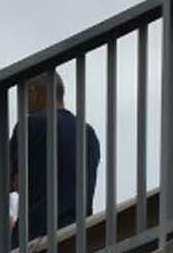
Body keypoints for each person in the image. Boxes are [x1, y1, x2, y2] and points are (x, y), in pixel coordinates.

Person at [5, 68, 101, 242]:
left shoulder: (31, 124)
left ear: (33, 92)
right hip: (78, 236)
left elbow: (3, 183)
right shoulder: (88, 132)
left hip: (36, 236)